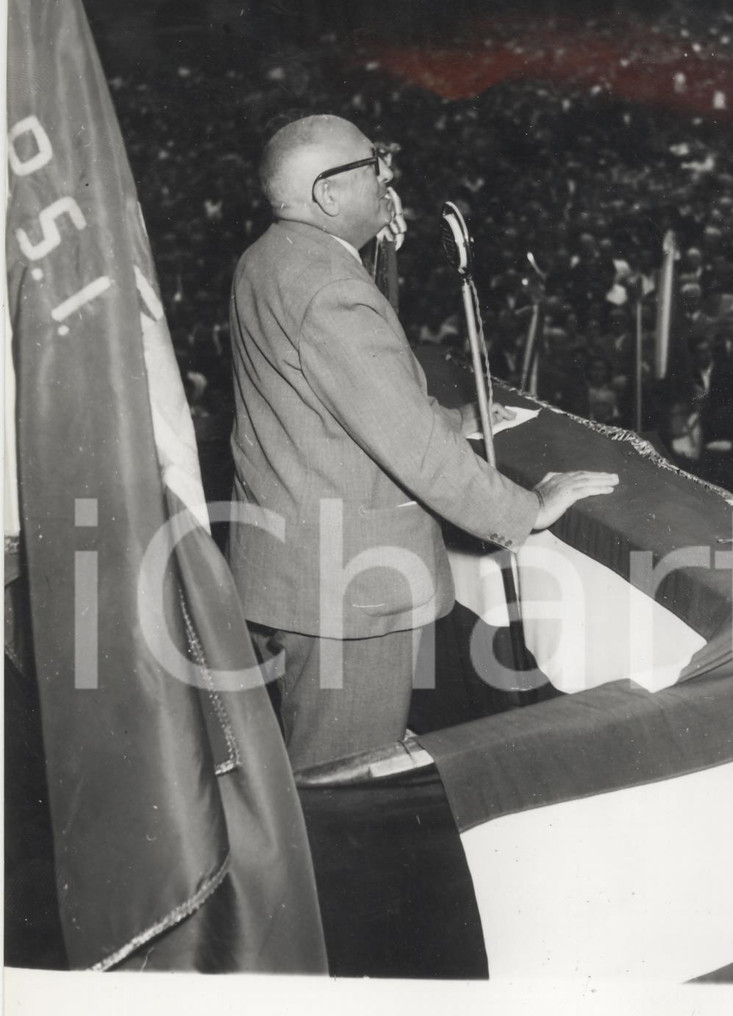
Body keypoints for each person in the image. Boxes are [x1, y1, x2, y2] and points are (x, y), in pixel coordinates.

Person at [228, 114, 618, 770]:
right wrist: (526, 509)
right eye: (372, 164)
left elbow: (345, 399)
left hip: (297, 567)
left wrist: (451, 417)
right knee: (342, 782)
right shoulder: (328, 287)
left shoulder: (273, 258)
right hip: (348, 590)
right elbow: (407, 443)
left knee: (321, 759)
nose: (388, 176)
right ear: (327, 194)